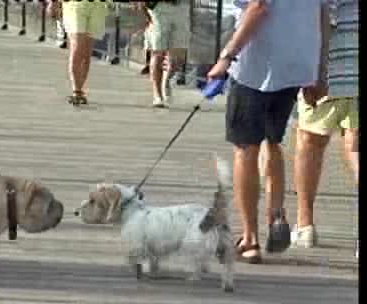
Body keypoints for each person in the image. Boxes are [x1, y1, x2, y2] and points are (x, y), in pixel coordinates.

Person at [207, 0, 326, 264]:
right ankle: (275, 215)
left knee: (245, 149)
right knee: (272, 142)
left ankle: (250, 238)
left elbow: (258, 7)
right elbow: (321, 13)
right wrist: (318, 72)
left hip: (257, 67)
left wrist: (226, 57)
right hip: (296, 65)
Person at [291, 0, 358, 257]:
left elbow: (321, 19)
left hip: (331, 68)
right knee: (355, 147)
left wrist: (315, 72)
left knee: (310, 142)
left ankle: (305, 224)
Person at [47, 0, 110, 106]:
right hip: (74, 5)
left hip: (98, 6)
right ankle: (76, 91)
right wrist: (53, 3)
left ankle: (80, 90)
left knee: (86, 53)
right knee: (77, 47)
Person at [137, 0, 190, 108]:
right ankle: (157, 96)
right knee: (158, 52)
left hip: (181, 6)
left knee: (179, 55)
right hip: (158, 7)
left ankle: (166, 79)